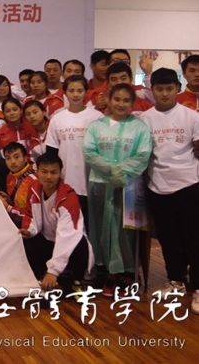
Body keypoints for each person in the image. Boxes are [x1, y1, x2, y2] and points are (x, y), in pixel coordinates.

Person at [83, 84, 152, 297]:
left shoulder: (139, 128)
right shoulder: (96, 127)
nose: (121, 104)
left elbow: (143, 154)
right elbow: (89, 151)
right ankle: (105, 272)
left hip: (128, 186)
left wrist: (121, 171)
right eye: (117, 99)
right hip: (100, 184)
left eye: (126, 100)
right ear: (109, 100)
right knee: (100, 228)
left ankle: (126, 274)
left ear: (132, 103)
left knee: (125, 232)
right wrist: (111, 169)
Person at [138, 68, 199, 313]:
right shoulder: (145, 119)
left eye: (169, 89)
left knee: (194, 238)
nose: (164, 93)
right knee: (167, 238)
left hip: (188, 185)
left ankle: (198, 287)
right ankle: (175, 281)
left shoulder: (191, 116)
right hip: (157, 186)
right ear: (153, 90)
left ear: (177, 88)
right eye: (160, 89)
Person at [16, 153, 92, 292]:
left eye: (53, 172)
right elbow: (30, 215)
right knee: (26, 240)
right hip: (48, 241)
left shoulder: (68, 197)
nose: (49, 176)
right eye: (44, 172)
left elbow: (67, 235)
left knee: (78, 243)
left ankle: (76, 280)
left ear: (60, 173)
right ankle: (41, 277)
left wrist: (54, 270)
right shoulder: (34, 188)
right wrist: (29, 230)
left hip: (69, 244)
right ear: (37, 172)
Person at [45, 75, 104, 222]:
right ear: (65, 93)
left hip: (92, 181)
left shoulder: (97, 117)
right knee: (70, 223)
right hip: (66, 180)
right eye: (71, 91)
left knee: (91, 223)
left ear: (86, 92)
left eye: (79, 90)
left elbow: (103, 151)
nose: (75, 94)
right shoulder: (57, 119)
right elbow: (52, 153)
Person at [0, 142, 37, 226]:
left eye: (16, 157)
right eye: (8, 158)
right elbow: (17, 203)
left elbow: (35, 216)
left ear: (25, 158)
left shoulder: (34, 181)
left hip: (30, 227)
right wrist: (8, 199)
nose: (12, 162)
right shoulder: (9, 177)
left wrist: (9, 208)